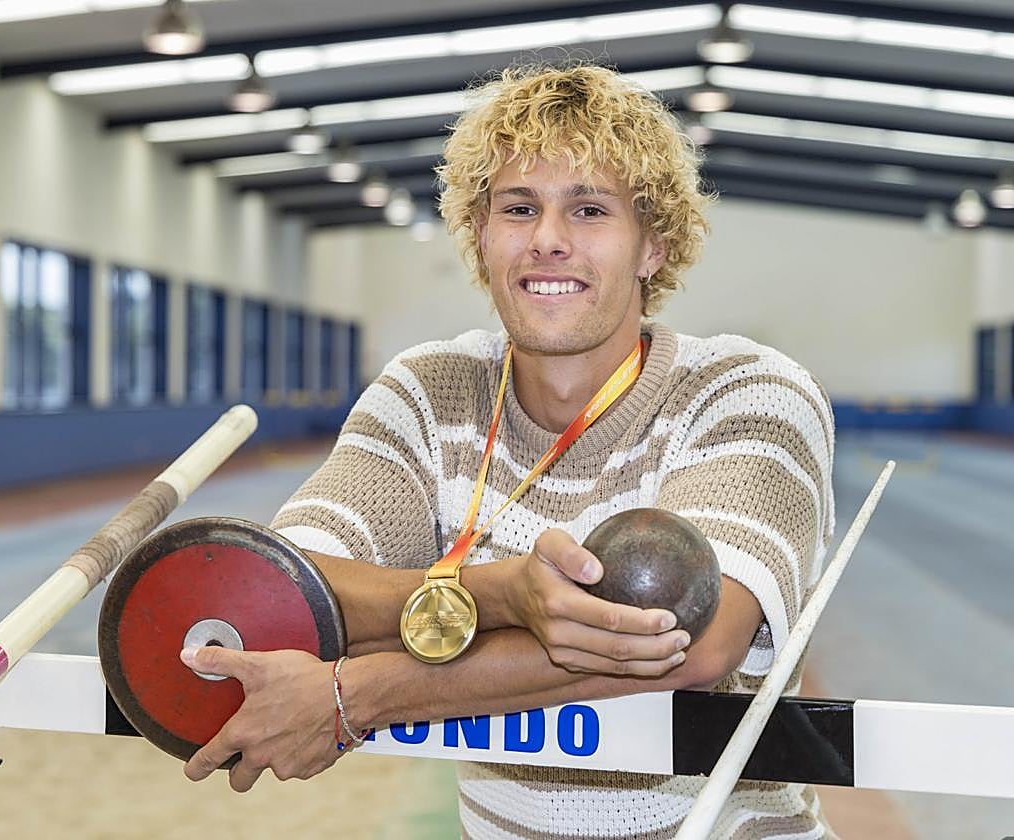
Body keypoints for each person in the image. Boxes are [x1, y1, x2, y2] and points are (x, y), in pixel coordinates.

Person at [179, 62, 836, 839]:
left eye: (589, 210)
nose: (548, 241)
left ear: (652, 246)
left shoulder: (748, 391)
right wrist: (501, 596)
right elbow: (286, 595)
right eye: (519, 208)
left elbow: (690, 640)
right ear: (482, 234)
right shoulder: (429, 390)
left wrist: (360, 693)